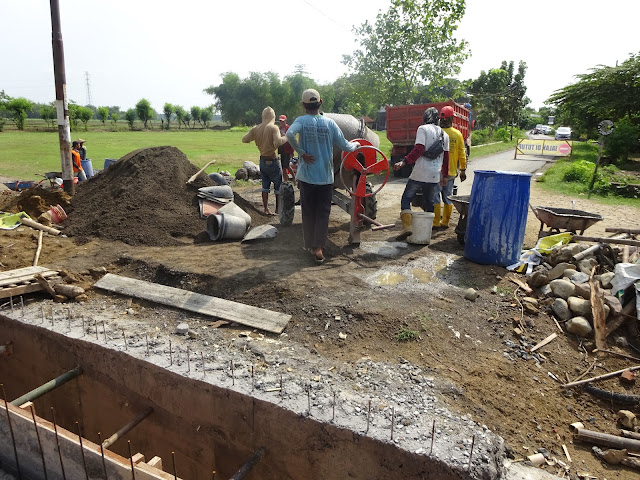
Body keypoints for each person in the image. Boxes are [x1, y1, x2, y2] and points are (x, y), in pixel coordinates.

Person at [286, 88, 360, 264]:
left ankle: (309, 245)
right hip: (325, 178)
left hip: (306, 177)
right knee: (322, 214)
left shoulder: (301, 121)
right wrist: (357, 145)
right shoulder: (330, 124)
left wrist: (301, 152)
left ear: (304, 105)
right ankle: (319, 247)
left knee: (308, 212)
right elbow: (345, 146)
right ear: (321, 103)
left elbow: (289, 134)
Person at [393, 107, 449, 240]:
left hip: (420, 172)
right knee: (430, 203)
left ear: (425, 118)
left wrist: (404, 162)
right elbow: (446, 157)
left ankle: (407, 228)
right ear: (438, 119)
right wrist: (445, 176)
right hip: (435, 174)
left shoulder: (422, 129)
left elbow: (419, 149)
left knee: (406, 199)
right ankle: (425, 234)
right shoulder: (444, 135)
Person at [242, 107, 288, 215]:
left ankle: (266, 209)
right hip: (273, 160)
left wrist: (254, 137)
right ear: (273, 116)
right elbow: (278, 142)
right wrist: (287, 137)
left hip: (262, 161)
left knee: (265, 186)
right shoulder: (273, 128)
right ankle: (277, 209)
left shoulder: (255, 129)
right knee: (278, 186)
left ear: (263, 116)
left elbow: (244, 139)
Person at [433, 106, 466, 229]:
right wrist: (463, 169)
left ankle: (436, 222)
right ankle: (445, 222)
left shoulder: (435, 132)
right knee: (448, 196)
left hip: (436, 171)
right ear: (452, 118)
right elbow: (462, 153)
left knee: (435, 195)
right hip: (451, 172)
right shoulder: (457, 134)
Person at [277, 115, 295, 182]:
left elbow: (292, 140)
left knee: (286, 166)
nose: (281, 123)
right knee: (283, 166)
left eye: (282, 121)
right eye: (280, 121)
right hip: (282, 149)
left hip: (288, 149)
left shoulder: (289, 129)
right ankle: (285, 180)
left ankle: (293, 177)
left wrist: (292, 151)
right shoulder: (278, 129)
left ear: (285, 121)